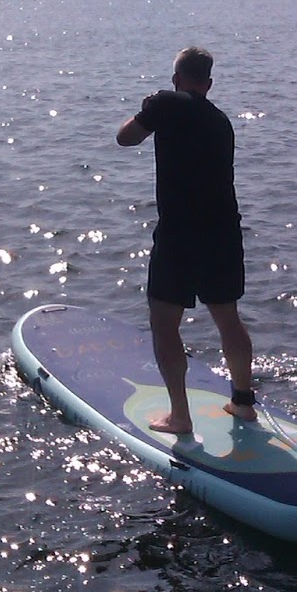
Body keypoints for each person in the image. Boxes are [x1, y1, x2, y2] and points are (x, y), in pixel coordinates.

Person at [116, 45, 256, 435]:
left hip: (180, 234)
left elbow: (124, 138)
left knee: (164, 323)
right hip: (224, 231)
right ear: (208, 83)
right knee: (228, 318)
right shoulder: (221, 121)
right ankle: (243, 403)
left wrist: (147, 109)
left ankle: (179, 417)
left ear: (176, 78)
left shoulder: (165, 103)